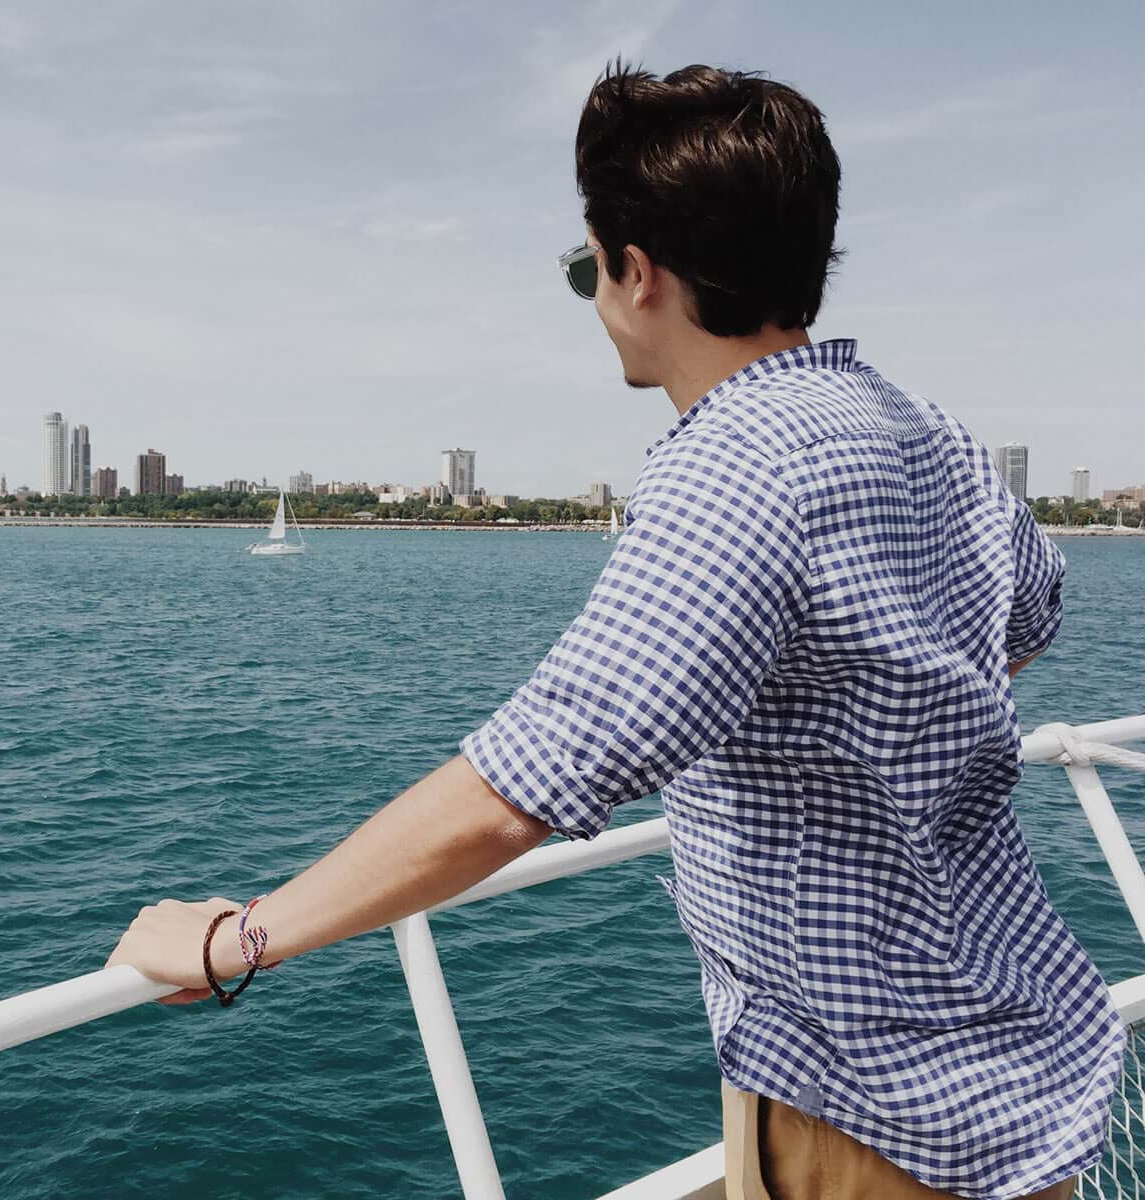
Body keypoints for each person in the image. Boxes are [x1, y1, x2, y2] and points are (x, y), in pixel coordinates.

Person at [106, 62, 1123, 1200]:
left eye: (585, 264)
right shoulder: (920, 426)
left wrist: (238, 938)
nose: (593, 289)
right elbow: (1023, 616)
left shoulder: (733, 469)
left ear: (638, 274)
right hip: (1019, 1059)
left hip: (874, 1106)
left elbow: (517, 789)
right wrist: (871, 738)